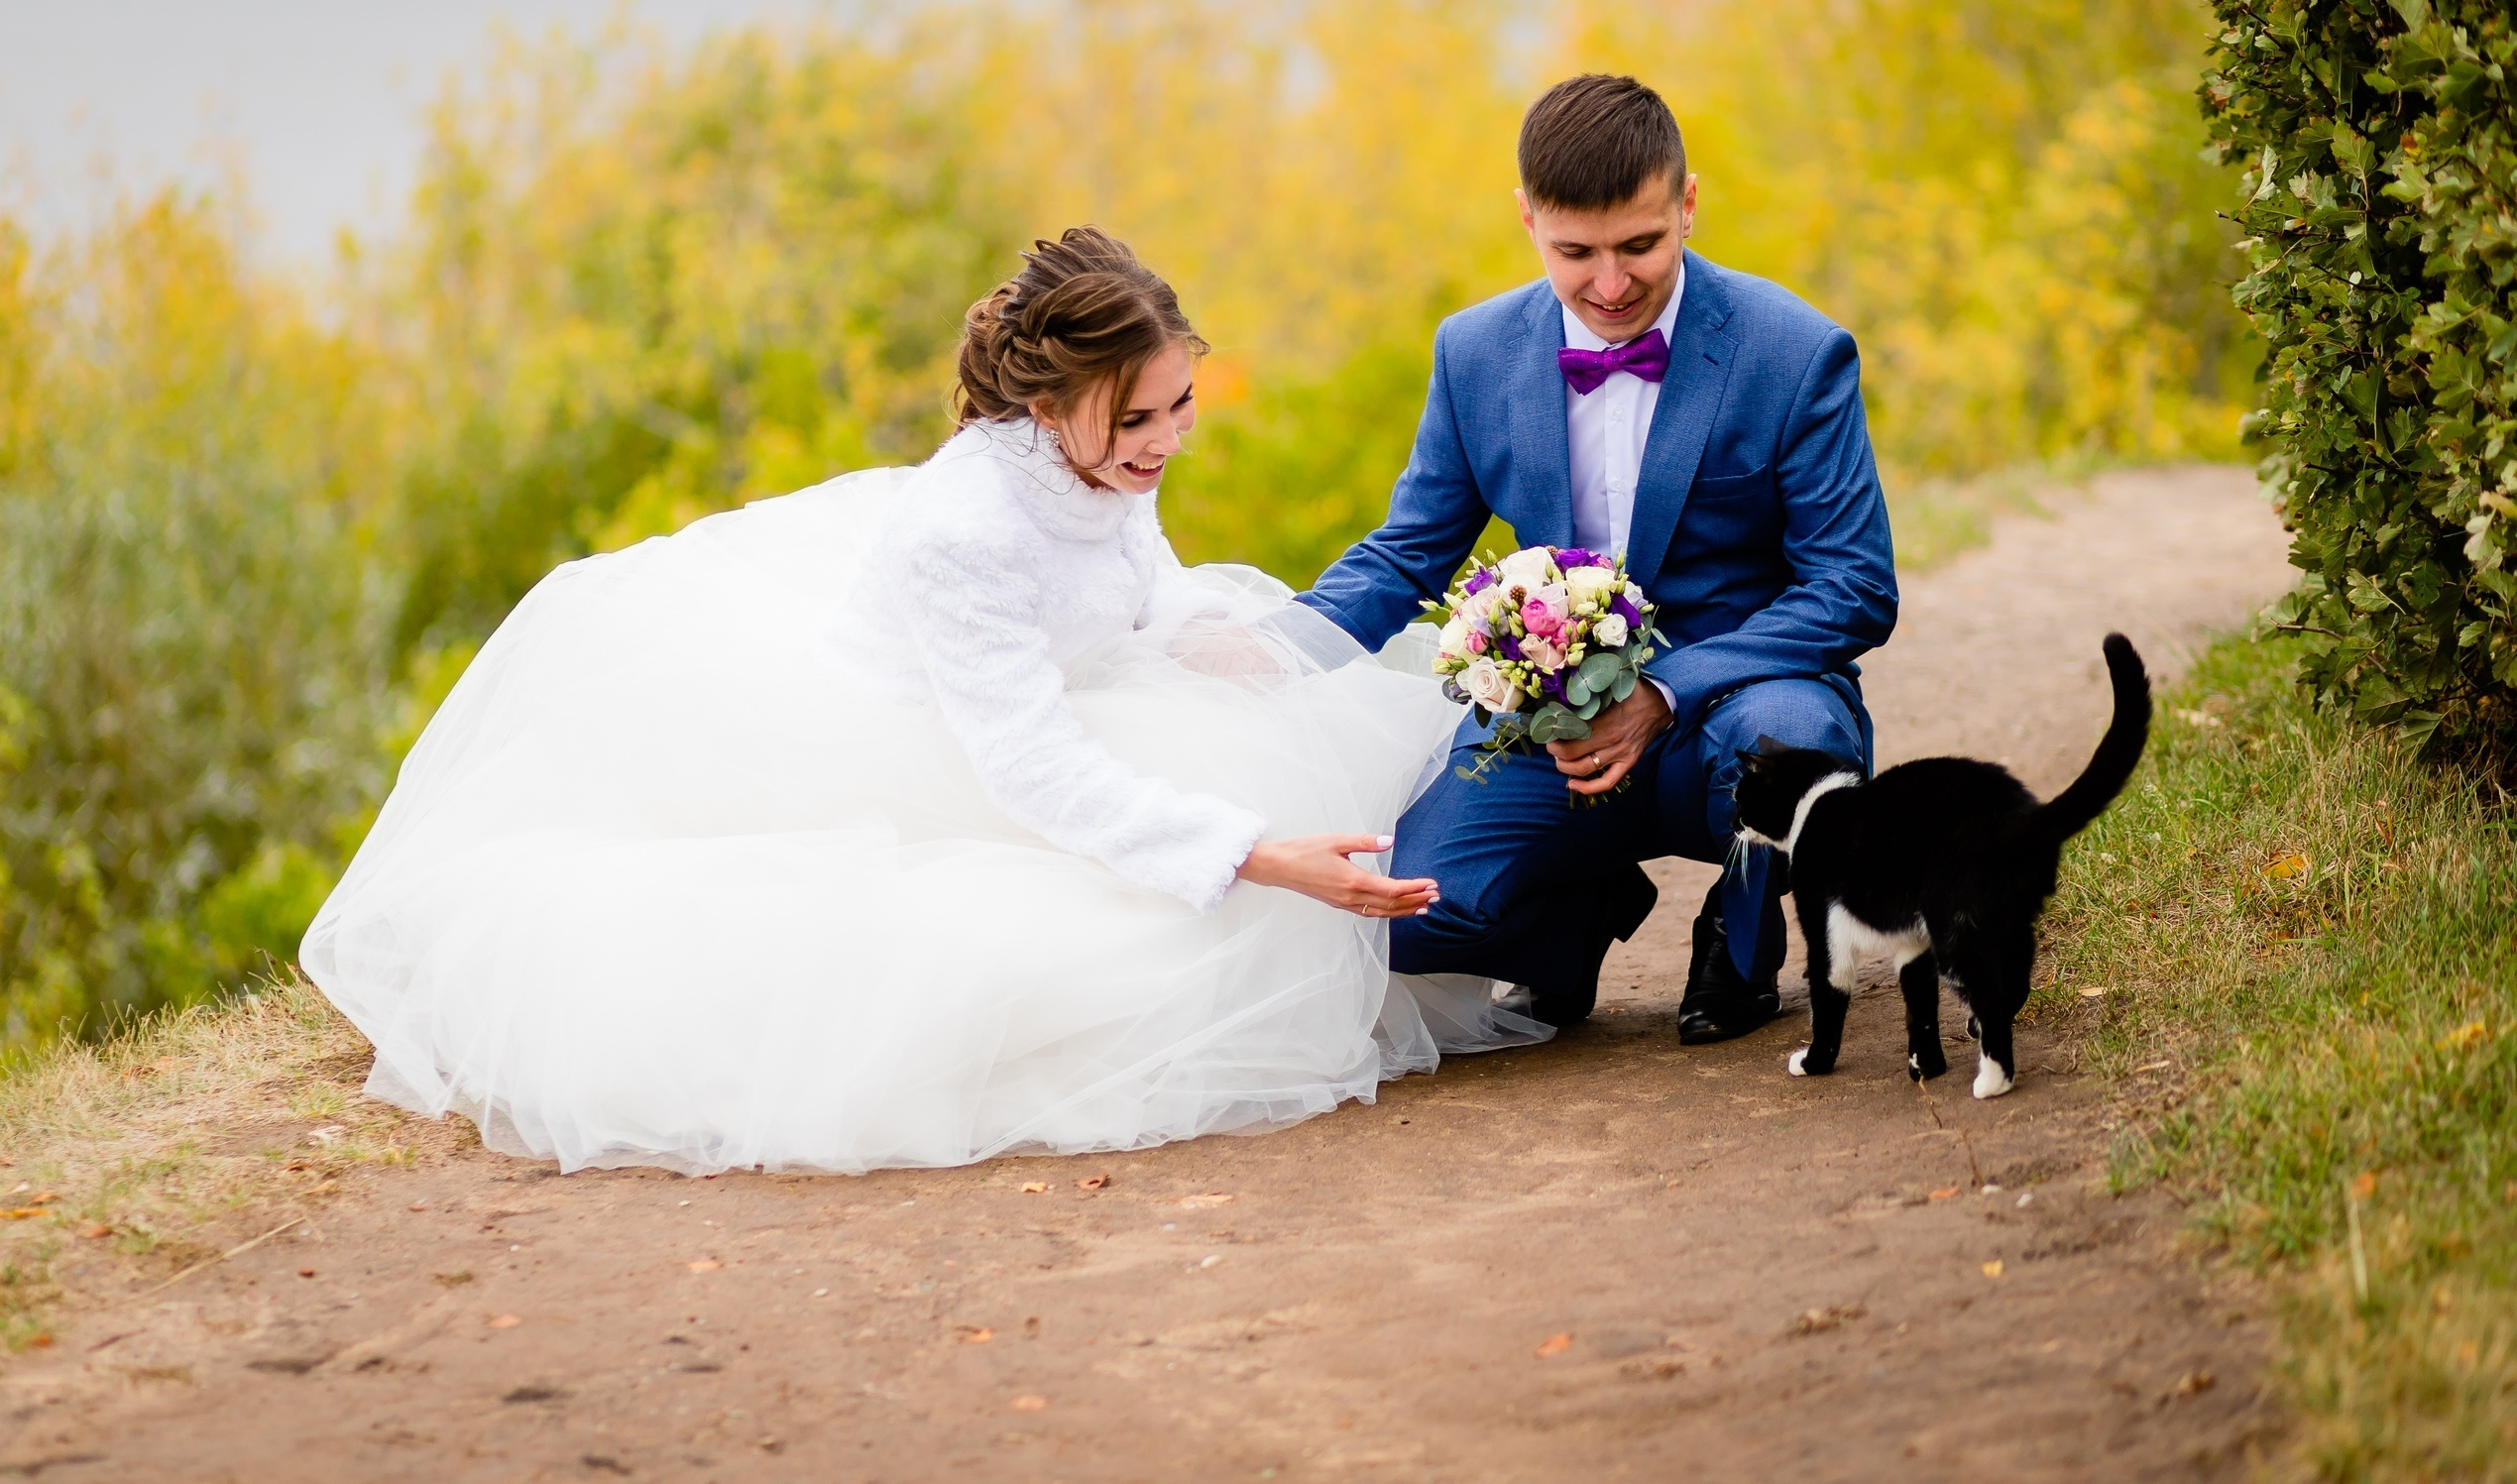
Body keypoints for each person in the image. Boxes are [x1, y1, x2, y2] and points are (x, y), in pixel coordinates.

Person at [299, 228, 1539, 1177]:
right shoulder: (967, 531)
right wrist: (1252, 856)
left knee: (1313, 740)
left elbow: (1134, 568)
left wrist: (1197, 642)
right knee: (1120, 955)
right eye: (1137, 418)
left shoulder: (1105, 446)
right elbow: (1032, 766)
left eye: (1179, 404)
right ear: (1046, 407)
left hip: (1065, 690)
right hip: (933, 749)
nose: (1167, 439)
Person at [1300, 74, 1898, 1040]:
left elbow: (1855, 586)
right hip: (1555, 732)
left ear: (1687, 204)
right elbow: (1407, 552)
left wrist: (1661, 692)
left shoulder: (1793, 350)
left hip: (1741, 706)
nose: (1611, 286)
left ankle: (1740, 942)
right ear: (1527, 219)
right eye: (1575, 252)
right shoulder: (1473, 352)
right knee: (1400, 913)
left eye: (1640, 246)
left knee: (1797, 746)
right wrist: (1277, 645)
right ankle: (1573, 919)